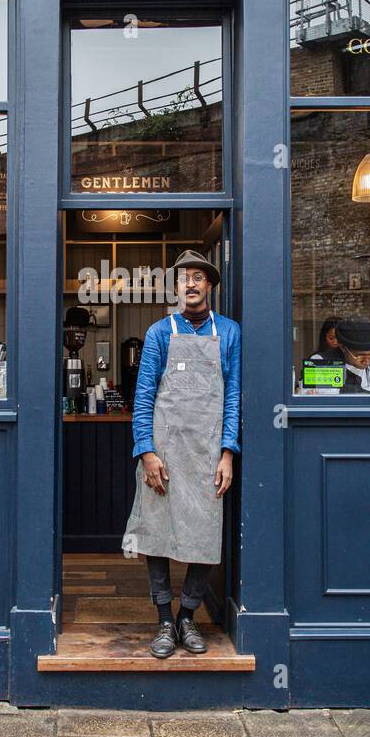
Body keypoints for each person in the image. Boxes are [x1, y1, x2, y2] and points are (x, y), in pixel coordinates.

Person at [124, 249, 240, 658]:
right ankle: (162, 620)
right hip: (166, 451)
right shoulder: (159, 332)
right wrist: (147, 453)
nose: (190, 284)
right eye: (183, 278)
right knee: (156, 536)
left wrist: (228, 453)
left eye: (198, 278)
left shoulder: (228, 333)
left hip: (208, 452)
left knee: (205, 533)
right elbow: (143, 398)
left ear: (209, 285)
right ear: (176, 287)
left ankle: (186, 616)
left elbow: (233, 396)